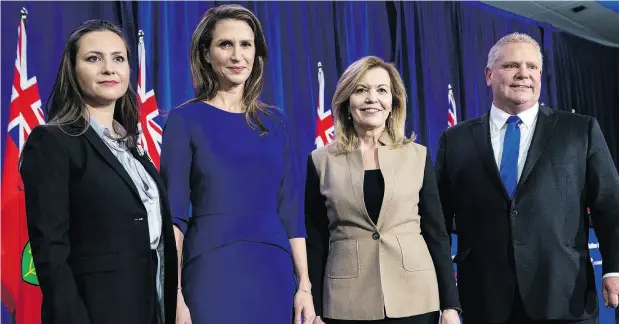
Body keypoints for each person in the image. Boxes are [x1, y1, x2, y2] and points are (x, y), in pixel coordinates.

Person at [435, 32, 619, 324]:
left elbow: (610, 206)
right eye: (511, 66)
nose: (523, 74)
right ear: (488, 74)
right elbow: (438, 225)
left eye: (532, 67)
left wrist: (614, 268)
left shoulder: (580, 131)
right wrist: (446, 299)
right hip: (484, 302)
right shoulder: (455, 140)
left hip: (564, 299)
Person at [160, 5, 315, 324]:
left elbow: (291, 212)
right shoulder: (184, 121)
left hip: (273, 268)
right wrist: (174, 293)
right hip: (210, 269)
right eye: (225, 44)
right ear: (205, 53)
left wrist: (305, 287)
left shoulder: (276, 122)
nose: (237, 55)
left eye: (246, 44)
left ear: (257, 52)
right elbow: (173, 217)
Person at [19, 20, 178, 324]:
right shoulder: (53, 141)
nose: (109, 68)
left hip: (154, 305)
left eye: (119, 58)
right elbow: (50, 248)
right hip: (96, 311)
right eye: (94, 58)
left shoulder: (133, 146)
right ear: (72, 69)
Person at [305, 56, 461, 324]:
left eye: (381, 90)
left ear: (393, 103)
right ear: (346, 102)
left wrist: (450, 306)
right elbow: (316, 239)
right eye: (361, 90)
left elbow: (436, 232)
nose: (371, 99)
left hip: (416, 297)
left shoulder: (417, 156)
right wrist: (316, 309)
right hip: (346, 301)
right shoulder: (321, 161)